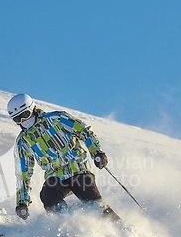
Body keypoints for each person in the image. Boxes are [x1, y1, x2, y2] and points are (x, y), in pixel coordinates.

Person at [7, 93, 121, 222]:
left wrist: (97, 152)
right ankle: (67, 224)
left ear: (33, 109)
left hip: (78, 168)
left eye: (25, 115)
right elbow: (23, 174)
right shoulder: (23, 142)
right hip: (55, 176)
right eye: (17, 119)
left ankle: (119, 227)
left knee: (91, 201)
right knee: (47, 195)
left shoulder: (57, 119)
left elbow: (85, 131)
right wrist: (22, 202)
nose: (23, 121)